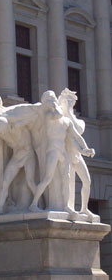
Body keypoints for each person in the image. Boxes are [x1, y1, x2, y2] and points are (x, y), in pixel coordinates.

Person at [29, 91, 95, 214]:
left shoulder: (67, 121)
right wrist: (54, 104)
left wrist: (85, 148)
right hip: (52, 150)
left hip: (62, 151)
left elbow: (77, 136)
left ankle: (66, 205)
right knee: (47, 178)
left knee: (67, 178)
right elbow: (58, 114)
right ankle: (34, 203)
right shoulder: (49, 116)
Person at [58, 88, 96, 220]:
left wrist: (85, 149)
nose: (70, 103)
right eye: (69, 101)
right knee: (67, 180)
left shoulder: (75, 121)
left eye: (72, 102)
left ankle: (84, 208)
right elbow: (73, 139)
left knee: (87, 180)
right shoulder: (61, 120)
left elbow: (78, 134)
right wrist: (83, 150)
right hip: (66, 154)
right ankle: (66, 205)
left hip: (76, 155)